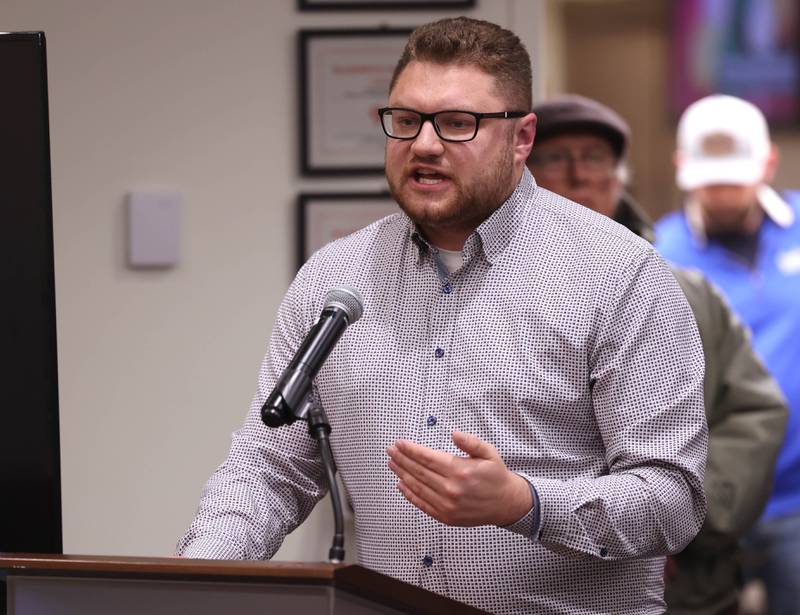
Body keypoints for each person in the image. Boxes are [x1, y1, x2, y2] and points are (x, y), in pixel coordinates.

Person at [178, 18, 709, 614]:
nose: (424, 144)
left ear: (522, 137)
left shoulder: (620, 274)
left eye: (458, 123)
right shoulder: (334, 279)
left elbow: (672, 503)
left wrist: (524, 503)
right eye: (406, 121)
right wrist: (193, 580)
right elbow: (269, 468)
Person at [527, 94, 788, 615]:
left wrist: (674, 524)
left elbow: (753, 412)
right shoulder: (477, 294)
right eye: (556, 158)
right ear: (522, 173)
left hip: (686, 584)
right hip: (524, 572)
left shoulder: (682, 291)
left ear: (620, 177)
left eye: (596, 159)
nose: (579, 175)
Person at [655, 94, 800, 615]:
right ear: (682, 168)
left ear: (767, 162)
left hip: (797, 501)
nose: (721, 193)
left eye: (734, 177)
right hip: (709, 507)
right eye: (710, 179)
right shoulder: (658, 255)